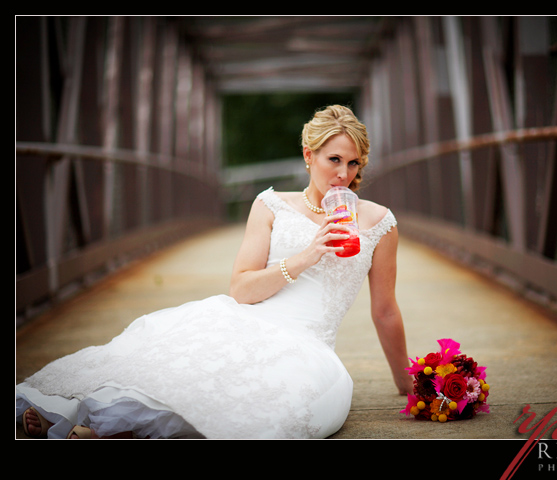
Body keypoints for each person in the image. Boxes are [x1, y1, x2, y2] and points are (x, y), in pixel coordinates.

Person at [16, 104, 413, 439]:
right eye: (334, 160)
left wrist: (407, 385)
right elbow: (241, 288)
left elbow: (385, 310)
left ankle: (104, 425)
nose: (343, 173)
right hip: (245, 319)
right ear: (309, 155)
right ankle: (66, 409)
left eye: (353, 162)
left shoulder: (379, 222)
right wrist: (306, 255)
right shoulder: (271, 205)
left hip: (309, 346)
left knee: (273, 402)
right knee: (172, 367)